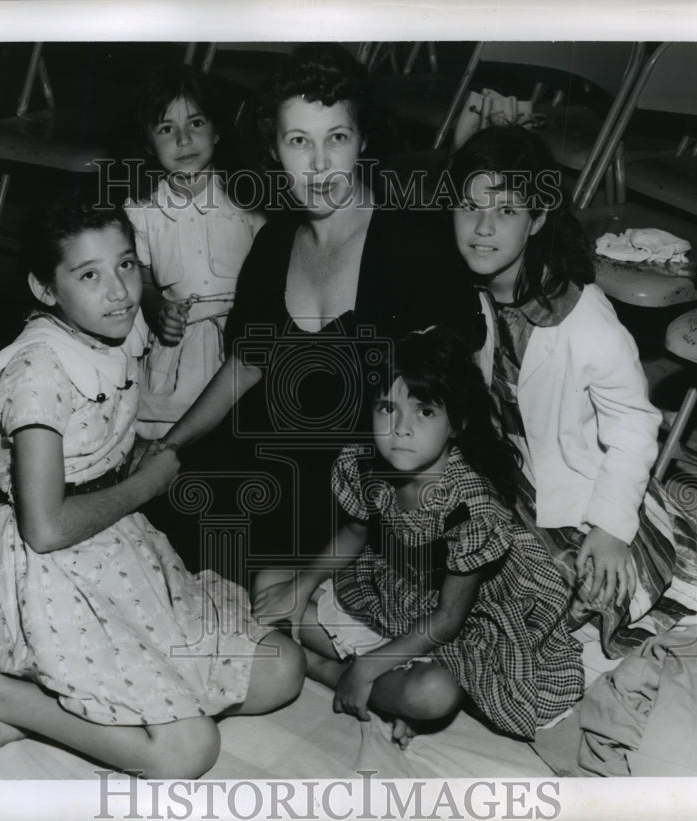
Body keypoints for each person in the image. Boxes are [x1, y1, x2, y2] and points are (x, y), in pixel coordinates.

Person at [0, 196, 304, 778]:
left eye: (127, 265)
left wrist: (136, 462)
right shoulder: (37, 374)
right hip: (51, 571)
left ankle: (44, 706)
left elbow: (105, 429)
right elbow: (45, 527)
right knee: (188, 752)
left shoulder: (116, 327)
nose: (119, 292)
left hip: (115, 546)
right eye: (89, 274)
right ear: (44, 288)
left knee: (282, 669)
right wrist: (147, 484)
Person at [152, 44, 482, 575]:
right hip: (267, 458)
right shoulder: (274, 243)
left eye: (338, 138)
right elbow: (245, 365)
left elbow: (449, 406)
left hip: (363, 489)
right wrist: (172, 444)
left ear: (363, 141)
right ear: (275, 149)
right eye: (299, 141)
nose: (321, 164)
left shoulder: (414, 246)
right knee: (158, 530)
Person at [449, 124, 697, 658]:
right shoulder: (458, 291)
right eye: (469, 206)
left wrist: (612, 528)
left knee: (580, 587)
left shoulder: (585, 319)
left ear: (538, 218)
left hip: (581, 484)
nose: (482, 227)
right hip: (508, 469)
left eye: (505, 211)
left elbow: (636, 430)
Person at [251, 327, 584, 745]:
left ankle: (329, 671)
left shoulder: (472, 507)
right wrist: (301, 587)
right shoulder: (365, 465)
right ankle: (378, 684)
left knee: (433, 695)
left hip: (462, 622)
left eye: (424, 411)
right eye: (387, 408)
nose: (401, 429)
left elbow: (447, 620)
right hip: (394, 588)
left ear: (456, 423)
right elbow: (354, 533)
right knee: (269, 584)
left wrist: (365, 668)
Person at [124, 64, 266, 439]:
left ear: (217, 130)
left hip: (243, 345)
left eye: (196, 123)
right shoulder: (142, 209)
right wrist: (157, 308)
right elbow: (141, 278)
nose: (184, 140)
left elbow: (275, 269)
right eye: (166, 129)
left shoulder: (247, 197)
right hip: (180, 348)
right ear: (147, 143)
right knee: (167, 439)